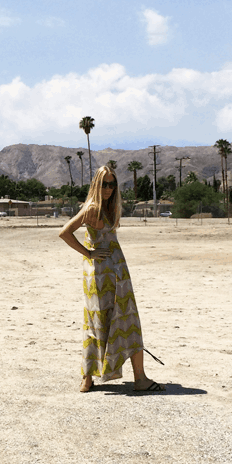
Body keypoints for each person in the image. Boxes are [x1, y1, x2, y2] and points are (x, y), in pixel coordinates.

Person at [58, 165, 164, 393]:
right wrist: (88, 253)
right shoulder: (93, 208)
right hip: (101, 273)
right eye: (104, 183)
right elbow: (65, 232)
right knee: (119, 321)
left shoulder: (109, 207)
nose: (108, 188)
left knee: (106, 321)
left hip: (116, 272)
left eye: (112, 184)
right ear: (96, 184)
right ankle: (137, 378)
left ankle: (90, 379)